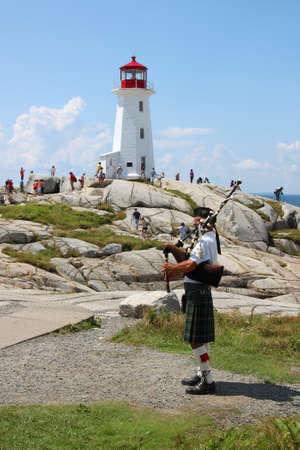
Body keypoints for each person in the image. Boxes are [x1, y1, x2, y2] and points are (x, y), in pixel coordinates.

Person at [162, 215, 218, 395]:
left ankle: (208, 380)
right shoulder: (206, 239)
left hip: (197, 292)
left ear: (207, 223)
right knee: (201, 339)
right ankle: (201, 373)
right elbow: (187, 257)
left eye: (198, 220)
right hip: (199, 291)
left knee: (195, 340)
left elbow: (191, 265)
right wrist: (173, 249)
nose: (194, 223)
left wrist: (171, 270)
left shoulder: (204, 242)